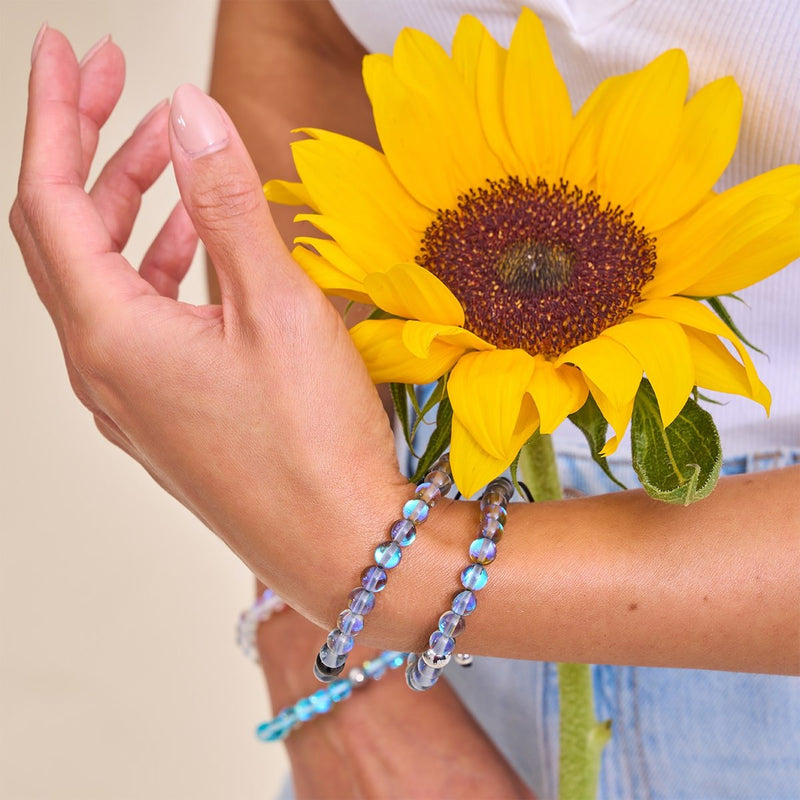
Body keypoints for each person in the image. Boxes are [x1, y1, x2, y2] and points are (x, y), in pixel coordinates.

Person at [10, 1, 798, 797]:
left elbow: (350, 561)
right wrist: (335, 676)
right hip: (413, 625)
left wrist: (366, 577)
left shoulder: (359, 572)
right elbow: (299, 25)